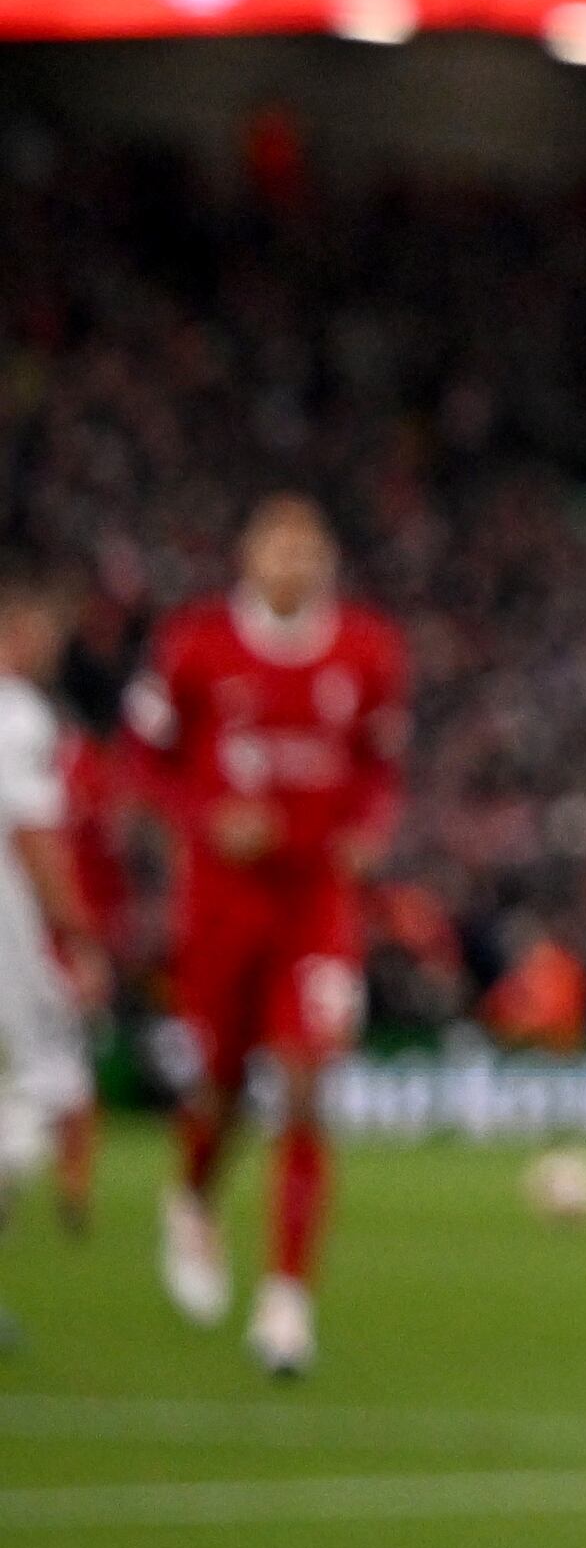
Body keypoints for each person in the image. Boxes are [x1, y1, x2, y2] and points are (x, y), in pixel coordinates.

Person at [125, 493, 407, 1378]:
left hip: (317, 898)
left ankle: (287, 1303)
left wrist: (371, 828)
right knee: (221, 1084)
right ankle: (194, 1196)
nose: (292, 559)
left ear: (325, 557)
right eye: (275, 544)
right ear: (247, 555)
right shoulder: (194, 643)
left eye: (307, 545)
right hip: (221, 900)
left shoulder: (368, 649)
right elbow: (141, 761)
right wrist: (206, 817)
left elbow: (380, 767)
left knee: (305, 1080)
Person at [1, 561, 109, 1326]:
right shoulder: (19, 716)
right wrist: (79, 935)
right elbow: (36, 839)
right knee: (39, 1093)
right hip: (7, 934)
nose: (51, 647)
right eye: (42, 633)